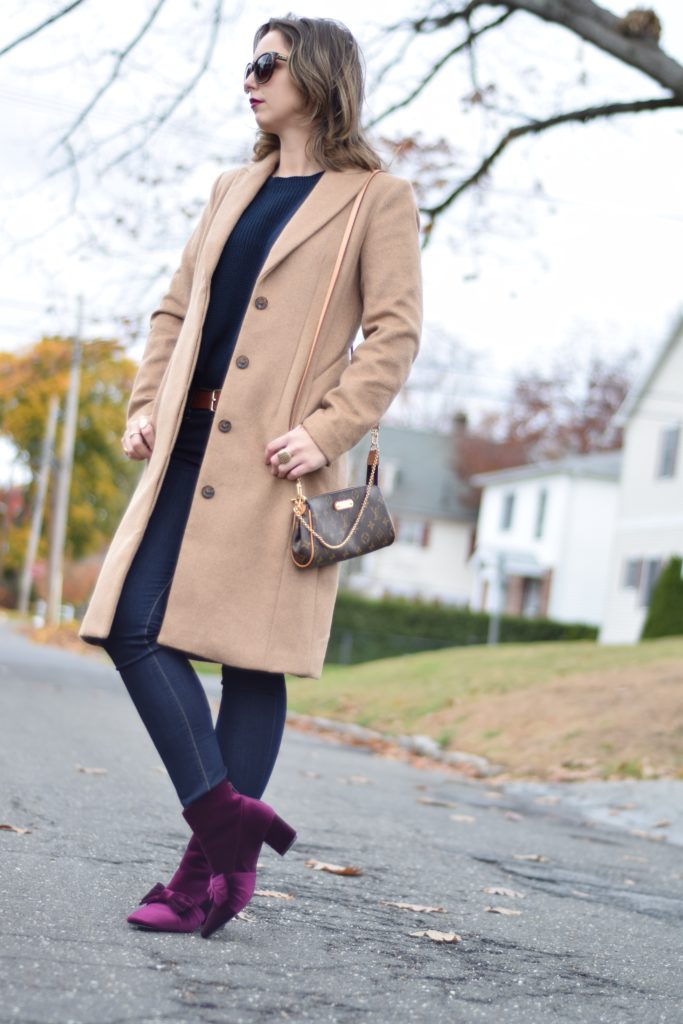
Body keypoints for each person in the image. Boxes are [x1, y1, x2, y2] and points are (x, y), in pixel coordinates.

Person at [79, 14, 422, 939]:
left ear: (317, 75)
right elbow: (174, 306)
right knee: (130, 628)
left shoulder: (374, 198)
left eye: (268, 63)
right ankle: (228, 825)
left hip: (281, 462)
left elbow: (393, 333)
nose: (251, 78)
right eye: (248, 63)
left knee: (251, 658)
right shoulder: (233, 186)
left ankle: (205, 880)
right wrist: (145, 399)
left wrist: (328, 428)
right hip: (188, 446)